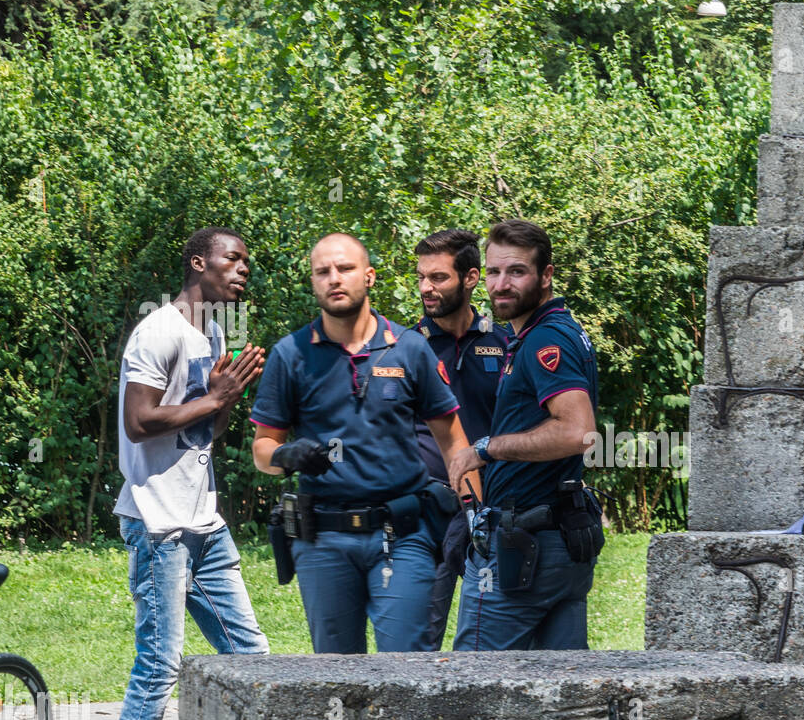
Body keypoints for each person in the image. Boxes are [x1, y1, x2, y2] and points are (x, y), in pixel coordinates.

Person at [90, 228, 268, 720]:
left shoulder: (211, 332)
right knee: (160, 663)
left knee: (254, 660)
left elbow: (202, 437)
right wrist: (214, 394)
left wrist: (224, 401)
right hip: (158, 521)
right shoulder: (158, 331)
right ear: (198, 263)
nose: (243, 270)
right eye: (232, 259)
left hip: (203, 520)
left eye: (246, 261)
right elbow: (139, 423)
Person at [249, 233, 473, 653]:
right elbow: (262, 450)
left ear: (369, 276)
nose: (334, 278)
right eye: (323, 272)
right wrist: (285, 455)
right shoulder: (291, 354)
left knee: (409, 674)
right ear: (313, 282)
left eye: (345, 268)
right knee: (335, 676)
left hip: (402, 533)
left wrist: (476, 519)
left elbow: (454, 442)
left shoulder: (410, 348)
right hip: (322, 540)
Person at [447, 219, 603, 650]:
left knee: (473, 686)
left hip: (526, 545)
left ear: (546, 275)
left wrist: (486, 449)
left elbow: (577, 433)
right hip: (556, 537)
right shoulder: (545, 333)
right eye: (494, 272)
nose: (501, 284)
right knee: (561, 694)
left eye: (517, 272)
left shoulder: (545, 340)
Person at [411, 229, 511, 649]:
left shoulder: (505, 343)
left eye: (438, 278)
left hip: (492, 510)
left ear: (471, 278)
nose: (425, 288)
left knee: (487, 641)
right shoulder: (403, 347)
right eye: (420, 277)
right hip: (424, 511)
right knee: (416, 644)